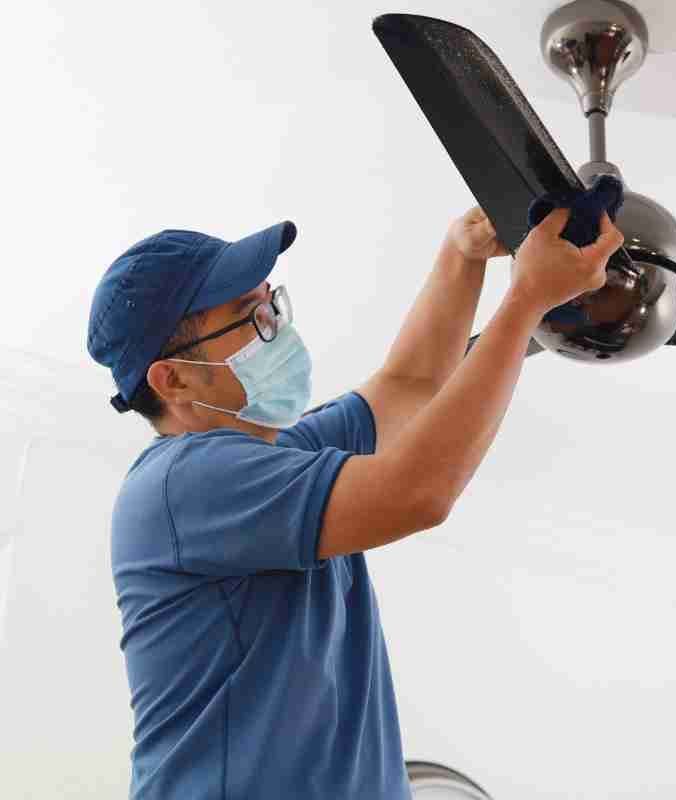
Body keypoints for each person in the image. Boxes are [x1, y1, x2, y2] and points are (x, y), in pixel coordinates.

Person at [86, 205, 625, 799]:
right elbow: (417, 491)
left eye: (272, 304)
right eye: (251, 318)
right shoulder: (183, 485)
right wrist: (525, 303)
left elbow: (411, 384)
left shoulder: (280, 459)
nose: (276, 328)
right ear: (174, 380)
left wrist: (463, 255)